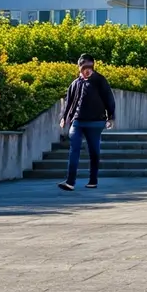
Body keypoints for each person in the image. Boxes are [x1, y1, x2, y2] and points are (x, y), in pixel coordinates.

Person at [58, 54, 116, 191]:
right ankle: (70, 182)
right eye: (85, 67)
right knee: (74, 149)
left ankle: (93, 180)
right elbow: (69, 103)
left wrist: (111, 117)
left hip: (96, 122)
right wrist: (64, 117)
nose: (88, 70)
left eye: (90, 67)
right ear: (79, 67)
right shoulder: (75, 83)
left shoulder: (100, 80)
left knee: (94, 151)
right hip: (77, 121)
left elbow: (109, 98)